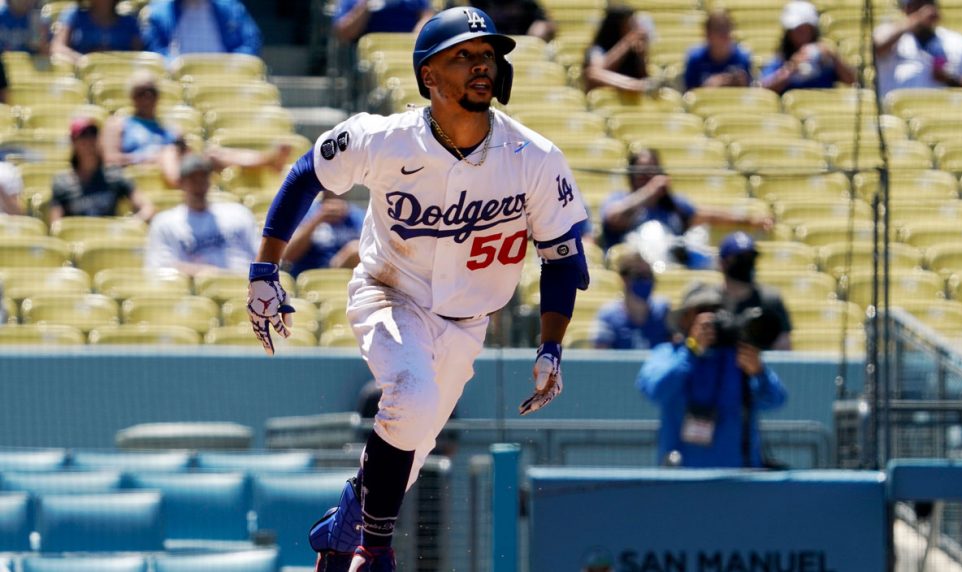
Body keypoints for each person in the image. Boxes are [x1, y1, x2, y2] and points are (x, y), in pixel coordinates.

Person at [244, 7, 589, 570]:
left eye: (487, 56)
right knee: (412, 396)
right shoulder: (385, 139)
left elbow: (563, 259)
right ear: (429, 75)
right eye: (464, 56)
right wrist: (265, 269)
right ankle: (374, 550)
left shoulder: (536, 159)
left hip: (468, 323)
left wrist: (551, 344)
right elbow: (307, 171)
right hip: (388, 292)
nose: (482, 65)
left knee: (408, 451)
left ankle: (345, 530)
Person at [636, 282, 787, 468]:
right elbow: (655, 391)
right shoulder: (669, 353)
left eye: (717, 310)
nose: (711, 318)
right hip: (681, 475)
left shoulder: (740, 356)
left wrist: (758, 372)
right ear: (684, 319)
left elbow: (775, 401)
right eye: (702, 311)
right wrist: (691, 352)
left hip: (738, 478)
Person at [100, 70, 292, 188]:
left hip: (177, 165)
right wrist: (150, 157)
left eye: (153, 93)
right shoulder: (118, 124)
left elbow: (191, 156)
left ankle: (267, 160)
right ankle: (183, 182)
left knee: (213, 153)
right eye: (142, 93)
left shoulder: (170, 129)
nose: (148, 98)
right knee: (167, 152)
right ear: (132, 97)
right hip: (145, 171)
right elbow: (111, 160)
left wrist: (183, 151)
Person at [599, 148, 772, 268]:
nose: (648, 176)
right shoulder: (621, 199)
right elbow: (612, 218)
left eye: (653, 171)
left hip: (675, 262)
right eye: (642, 172)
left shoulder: (672, 205)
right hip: (639, 268)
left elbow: (707, 216)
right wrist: (649, 193)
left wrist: (750, 220)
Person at [146, 154, 258, 275]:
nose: (199, 184)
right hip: (192, 290)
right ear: (181, 183)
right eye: (193, 179)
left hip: (243, 287)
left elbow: (261, 256)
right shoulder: (165, 223)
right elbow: (160, 269)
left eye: (203, 177)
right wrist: (203, 272)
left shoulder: (238, 214)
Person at [873, 0, 962, 101]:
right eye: (918, 4)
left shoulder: (955, 40)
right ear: (906, 8)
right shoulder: (891, 33)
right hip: (896, 111)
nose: (926, 10)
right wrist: (915, 21)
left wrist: (950, 79)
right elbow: (877, 47)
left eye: (930, 3)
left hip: (940, 114)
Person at [50, 118, 155, 224]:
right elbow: (56, 225)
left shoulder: (114, 175)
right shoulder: (62, 182)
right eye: (83, 137)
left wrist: (130, 225)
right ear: (73, 142)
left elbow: (147, 208)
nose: (89, 142)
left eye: (93, 135)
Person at [716, 231, 793, 351]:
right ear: (722, 263)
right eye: (740, 258)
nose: (747, 263)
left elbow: (783, 348)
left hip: (760, 367)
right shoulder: (709, 301)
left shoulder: (770, 300)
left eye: (751, 258)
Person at [760, 1, 855, 94]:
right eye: (797, 30)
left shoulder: (825, 58)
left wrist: (834, 58)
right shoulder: (781, 60)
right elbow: (764, 88)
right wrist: (792, 68)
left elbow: (852, 81)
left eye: (806, 29)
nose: (802, 34)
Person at [592, 249, 671, 350]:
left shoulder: (663, 310)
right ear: (624, 279)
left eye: (649, 275)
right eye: (639, 276)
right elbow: (600, 358)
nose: (646, 280)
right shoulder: (607, 315)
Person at [282, 191, 364, 277]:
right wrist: (318, 219)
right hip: (310, 276)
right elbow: (287, 256)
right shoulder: (306, 210)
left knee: (356, 250)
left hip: (343, 277)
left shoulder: (357, 215)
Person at [143, 0, 263, 58]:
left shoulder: (231, 7)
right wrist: (171, 63)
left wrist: (234, 65)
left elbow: (251, 41)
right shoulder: (157, 13)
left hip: (223, 79)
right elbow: (155, 51)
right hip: (179, 81)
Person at [582, 4, 656, 94]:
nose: (633, 28)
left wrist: (642, 55)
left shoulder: (634, 49)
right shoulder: (598, 49)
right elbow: (596, 72)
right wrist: (626, 43)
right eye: (629, 24)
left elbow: (644, 76)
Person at [50, 0, 143, 63]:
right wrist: (85, 62)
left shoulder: (130, 22)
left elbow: (138, 57)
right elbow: (57, 48)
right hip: (81, 78)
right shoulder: (74, 16)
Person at [683, 10, 752, 90]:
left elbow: (750, 93)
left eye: (727, 29)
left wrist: (743, 84)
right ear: (708, 34)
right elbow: (688, 95)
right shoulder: (695, 59)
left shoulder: (742, 58)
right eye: (718, 30)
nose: (724, 35)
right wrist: (707, 86)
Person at [332, 0, 433, 43]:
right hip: (372, 64)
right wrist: (364, 6)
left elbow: (427, 16)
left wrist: (417, 38)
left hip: (408, 49)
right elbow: (344, 33)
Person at [464, 0, 555, 42]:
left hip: (520, 48)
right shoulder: (469, 3)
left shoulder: (526, 3)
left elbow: (544, 23)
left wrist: (542, 28)